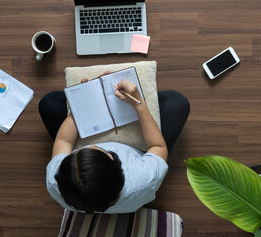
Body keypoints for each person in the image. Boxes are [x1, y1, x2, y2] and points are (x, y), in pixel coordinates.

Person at [39, 71, 190, 214]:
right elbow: (158, 147)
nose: (92, 145)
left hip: (92, 197)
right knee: (177, 102)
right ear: (119, 166)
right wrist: (138, 103)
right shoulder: (144, 178)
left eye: (78, 152)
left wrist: (81, 106)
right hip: (135, 152)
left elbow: (63, 141)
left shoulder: (56, 180)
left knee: (49, 102)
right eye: (99, 149)